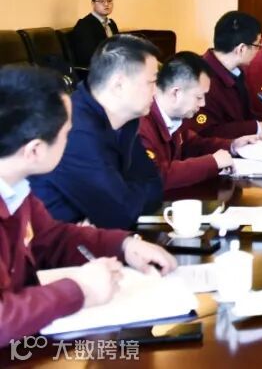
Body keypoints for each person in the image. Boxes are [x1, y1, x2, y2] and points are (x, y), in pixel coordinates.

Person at [0, 66, 177, 344]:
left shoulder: (16, 188)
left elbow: (51, 238)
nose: (71, 141)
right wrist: (80, 290)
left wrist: (123, 246)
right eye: (66, 134)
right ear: (35, 150)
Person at [30, 35, 164, 228]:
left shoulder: (125, 120)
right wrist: (126, 193)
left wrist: (126, 193)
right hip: (50, 244)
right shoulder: (75, 130)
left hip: (97, 236)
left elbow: (155, 185)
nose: (156, 91)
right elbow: (120, 213)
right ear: (119, 85)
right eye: (152, 82)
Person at [139, 53, 262, 191]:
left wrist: (232, 145)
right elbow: (156, 177)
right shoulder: (141, 125)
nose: (203, 103)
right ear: (176, 93)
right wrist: (212, 162)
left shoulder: (174, 116)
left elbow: (192, 144)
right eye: (199, 97)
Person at [187, 11, 262, 139]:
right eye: (258, 45)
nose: (259, 50)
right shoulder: (201, 78)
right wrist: (257, 127)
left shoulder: (237, 71)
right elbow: (207, 132)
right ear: (241, 49)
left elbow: (242, 115)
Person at [70, 0, 120, 69]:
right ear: (93, 3)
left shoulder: (111, 24)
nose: (106, 4)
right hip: (97, 69)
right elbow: (88, 56)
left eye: (109, 1)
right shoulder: (84, 25)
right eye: (101, 1)